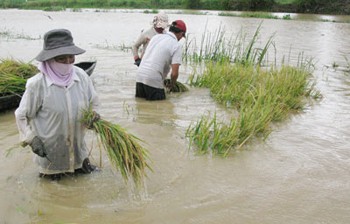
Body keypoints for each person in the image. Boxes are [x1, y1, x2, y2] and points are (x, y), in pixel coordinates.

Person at [14, 29, 100, 181]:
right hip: (51, 158)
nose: (68, 62)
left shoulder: (81, 76)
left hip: (79, 154)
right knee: (53, 194)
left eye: (71, 57)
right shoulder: (37, 85)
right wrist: (31, 138)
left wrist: (94, 115)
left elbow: (94, 101)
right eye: (61, 59)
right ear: (50, 59)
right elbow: (21, 115)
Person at [135, 20, 187, 101]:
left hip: (139, 76)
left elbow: (143, 55)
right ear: (181, 33)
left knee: (141, 107)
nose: (181, 39)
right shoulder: (176, 46)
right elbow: (174, 74)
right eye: (182, 36)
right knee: (159, 109)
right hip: (153, 79)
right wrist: (171, 85)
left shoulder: (156, 37)